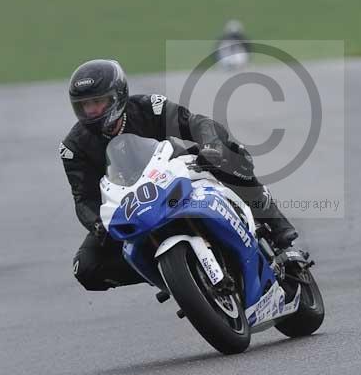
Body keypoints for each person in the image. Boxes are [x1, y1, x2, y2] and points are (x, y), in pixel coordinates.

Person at [60, 59, 298, 291]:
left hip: (175, 174)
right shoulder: (73, 148)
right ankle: (170, 274)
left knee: (229, 155)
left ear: (117, 96)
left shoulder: (148, 107)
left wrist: (212, 146)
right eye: (84, 105)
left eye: (97, 102)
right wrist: (96, 224)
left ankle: (278, 231)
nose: (91, 110)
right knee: (86, 268)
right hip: (130, 204)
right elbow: (84, 198)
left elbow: (196, 123)